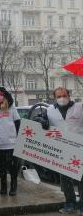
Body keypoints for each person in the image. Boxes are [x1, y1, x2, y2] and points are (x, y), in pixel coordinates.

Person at [41, 87, 83, 215]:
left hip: (79, 146)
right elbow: (42, 124)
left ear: (69, 95)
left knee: (81, 177)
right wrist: (42, 121)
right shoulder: (49, 110)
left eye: (64, 95)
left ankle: (82, 205)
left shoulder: (80, 107)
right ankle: (69, 203)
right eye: (58, 96)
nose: (62, 98)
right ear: (55, 98)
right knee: (65, 178)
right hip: (61, 148)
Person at [0, 86, 20, 196]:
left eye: (1, 94)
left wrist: (19, 137)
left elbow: (17, 122)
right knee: (1, 166)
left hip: (11, 141)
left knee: (12, 166)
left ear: (5, 95)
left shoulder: (11, 108)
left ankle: (14, 186)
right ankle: (3, 187)